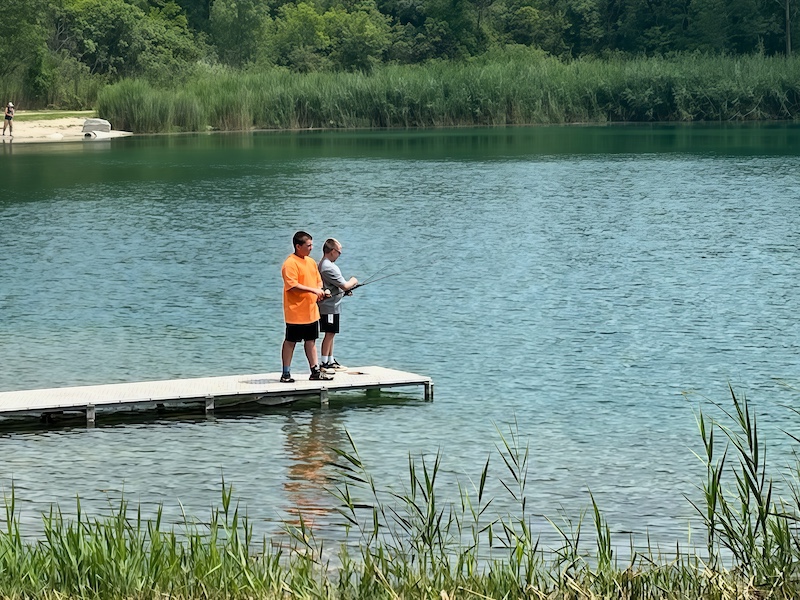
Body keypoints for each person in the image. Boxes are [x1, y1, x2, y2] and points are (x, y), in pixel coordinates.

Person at [280, 231, 333, 383]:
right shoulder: (290, 263)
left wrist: (321, 291)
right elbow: (292, 286)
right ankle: (286, 373)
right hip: (295, 312)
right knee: (291, 341)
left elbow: (318, 281)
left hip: (311, 310)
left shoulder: (310, 262)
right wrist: (313, 290)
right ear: (298, 246)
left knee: (311, 341)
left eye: (311, 245)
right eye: (308, 245)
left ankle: (315, 371)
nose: (311, 248)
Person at [318, 238, 358, 372]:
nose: (340, 255)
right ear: (332, 251)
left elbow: (337, 286)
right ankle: (324, 363)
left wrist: (344, 292)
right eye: (339, 252)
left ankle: (330, 359)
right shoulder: (327, 266)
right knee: (329, 333)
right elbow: (345, 284)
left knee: (332, 333)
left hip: (333, 305)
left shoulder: (328, 265)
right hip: (328, 307)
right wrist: (354, 280)